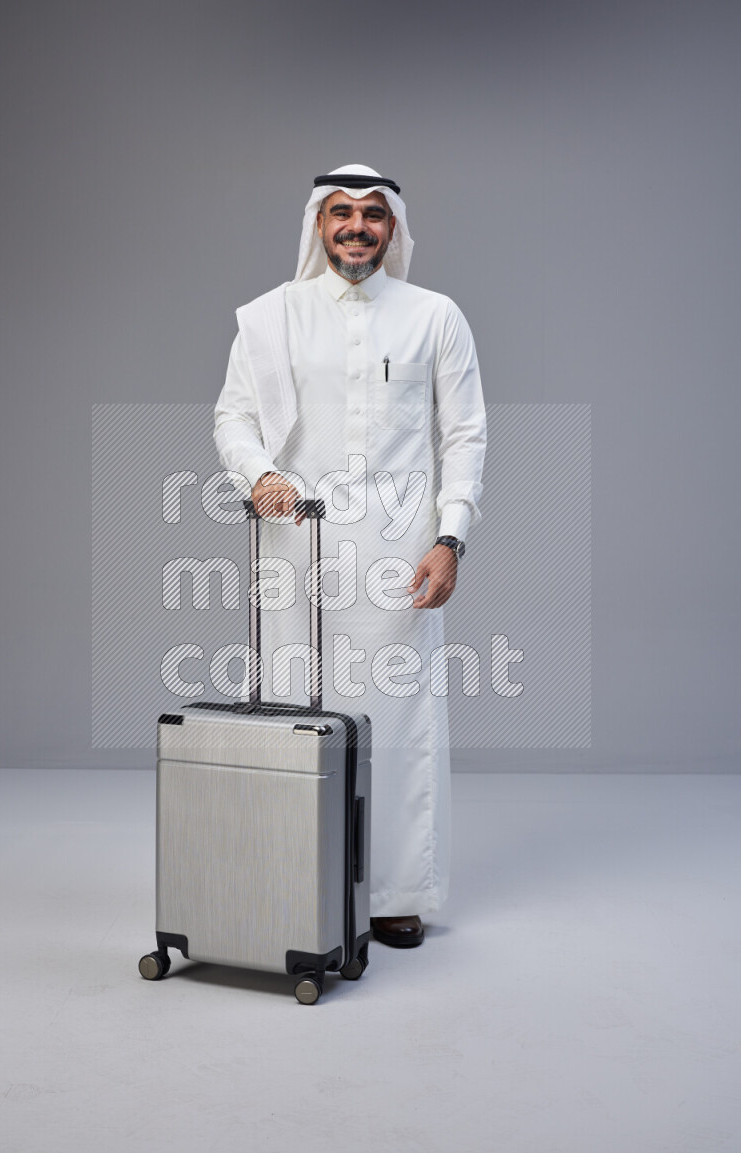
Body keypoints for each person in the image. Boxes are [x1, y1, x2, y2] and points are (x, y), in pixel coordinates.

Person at [214, 164, 486, 948]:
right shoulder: (273, 317)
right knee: (293, 715)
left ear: (392, 227)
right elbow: (232, 418)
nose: (356, 226)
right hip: (297, 548)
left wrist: (451, 538)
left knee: (397, 720)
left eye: (372, 213)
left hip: (401, 556)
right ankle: (295, 879)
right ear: (319, 224)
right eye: (341, 212)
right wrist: (259, 474)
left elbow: (465, 434)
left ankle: (395, 892)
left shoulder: (435, 316)